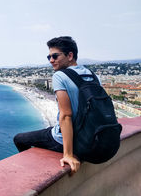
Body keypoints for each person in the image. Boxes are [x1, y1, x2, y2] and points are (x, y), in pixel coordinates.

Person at [14, 36, 94, 174]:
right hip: (89, 137)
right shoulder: (92, 75)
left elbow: (66, 115)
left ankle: (34, 172)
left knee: (19, 139)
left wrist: (68, 154)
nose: (51, 60)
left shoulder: (60, 76)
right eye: (49, 57)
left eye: (55, 56)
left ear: (70, 55)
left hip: (64, 140)